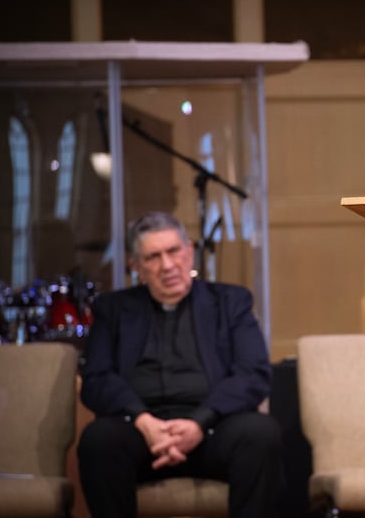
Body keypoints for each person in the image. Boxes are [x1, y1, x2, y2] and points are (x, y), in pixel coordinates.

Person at [77, 211, 283, 518]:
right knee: (98, 440)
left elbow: (252, 373)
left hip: (213, 431)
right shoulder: (114, 309)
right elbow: (96, 379)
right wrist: (144, 422)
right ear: (136, 267)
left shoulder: (231, 302)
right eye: (153, 257)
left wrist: (199, 423)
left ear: (189, 250)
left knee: (260, 434)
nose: (168, 266)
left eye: (174, 251)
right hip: (141, 434)